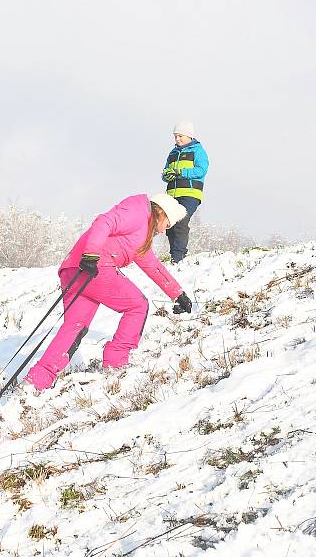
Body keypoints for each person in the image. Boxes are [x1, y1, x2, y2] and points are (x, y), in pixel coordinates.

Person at [23, 193, 192, 392]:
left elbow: (151, 265)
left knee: (74, 327)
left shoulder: (141, 234)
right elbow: (104, 221)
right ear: (162, 213)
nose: (165, 231)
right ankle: (116, 364)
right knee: (138, 305)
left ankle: (37, 381)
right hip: (93, 266)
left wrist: (176, 293)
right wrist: (91, 254)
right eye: (168, 225)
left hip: (75, 270)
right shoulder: (138, 211)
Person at [161, 120, 209, 263]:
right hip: (172, 195)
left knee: (181, 221)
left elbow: (201, 170)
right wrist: (167, 175)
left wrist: (181, 172)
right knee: (169, 223)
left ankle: (179, 257)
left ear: (189, 136)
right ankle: (173, 255)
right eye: (175, 136)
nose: (177, 139)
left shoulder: (198, 150)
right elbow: (164, 173)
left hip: (190, 193)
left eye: (180, 136)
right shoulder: (173, 153)